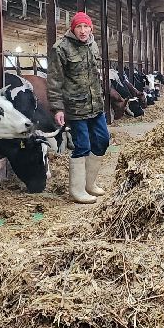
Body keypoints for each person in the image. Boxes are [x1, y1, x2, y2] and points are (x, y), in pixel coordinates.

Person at [46, 11, 109, 204]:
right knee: (82, 146)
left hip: (95, 105)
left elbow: (96, 76)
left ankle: (90, 184)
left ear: (91, 28)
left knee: (103, 140)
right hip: (74, 106)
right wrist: (57, 108)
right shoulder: (60, 48)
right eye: (79, 27)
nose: (83, 31)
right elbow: (54, 81)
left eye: (86, 26)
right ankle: (77, 190)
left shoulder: (93, 45)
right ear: (72, 29)